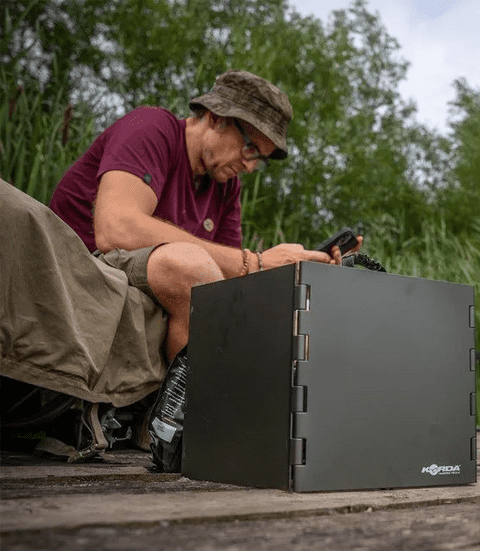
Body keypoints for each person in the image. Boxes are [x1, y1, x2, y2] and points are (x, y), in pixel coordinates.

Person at [49, 70, 360, 362]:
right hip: (80, 264)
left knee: (285, 324)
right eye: (250, 148)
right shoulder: (151, 127)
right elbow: (116, 228)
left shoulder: (226, 187)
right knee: (189, 265)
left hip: (144, 277)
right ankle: (180, 415)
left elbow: (230, 283)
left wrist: (294, 272)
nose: (250, 166)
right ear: (216, 119)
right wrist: (254, 262)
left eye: (260, 160)